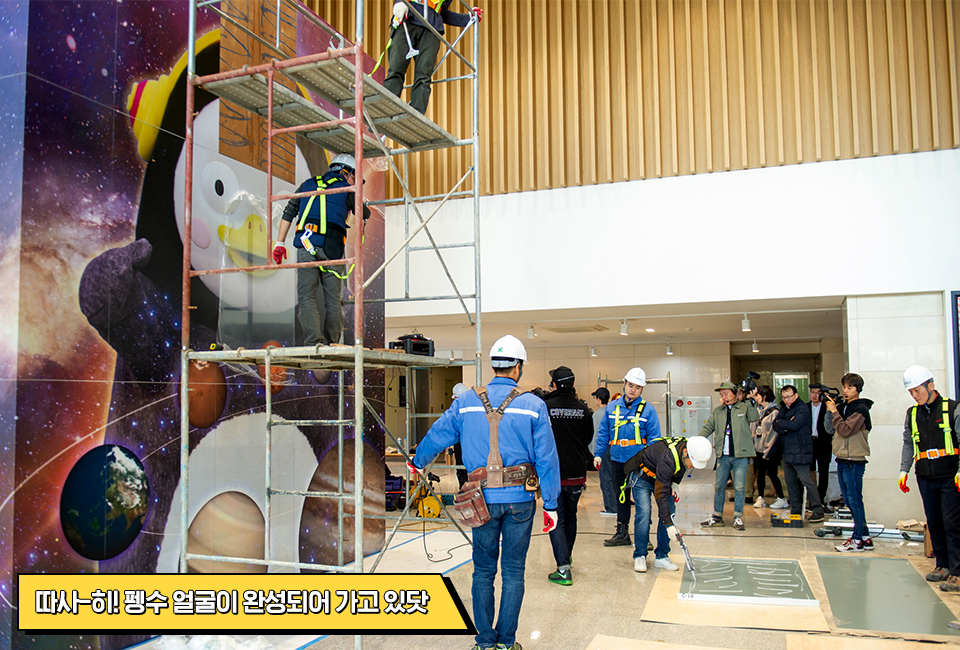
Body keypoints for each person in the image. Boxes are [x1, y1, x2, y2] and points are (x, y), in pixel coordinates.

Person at [408, 334, 559, 650]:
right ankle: (506, 642)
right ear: (517, 367)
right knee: (514, 573)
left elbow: (438, 434)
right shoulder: (534, 405)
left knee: (483, 572)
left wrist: (417, 461)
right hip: (519, 500)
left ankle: (485, 642)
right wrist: (552, 503)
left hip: (480, 501)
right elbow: (546, 457)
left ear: (493, 366)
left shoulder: (465, 402)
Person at [273, 154, 369, 346]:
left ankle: (313, 342)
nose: (355, 181)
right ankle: (333, 342)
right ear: (344, 171)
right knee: (333, 300)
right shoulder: (348, 189)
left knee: (306, 296)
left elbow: (289, 211)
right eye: (354, 177)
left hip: (306, 245)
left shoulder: (307, 184)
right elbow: (365, 213)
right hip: (332, 248)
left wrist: (280, 243)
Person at [593, 367, 662, 572]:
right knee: (620, 496)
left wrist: (654, 462)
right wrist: (598, 453)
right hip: (617, 459)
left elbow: (655, 438)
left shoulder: (648, 410)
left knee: (643, 500)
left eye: (638, 387)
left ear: (642, 389)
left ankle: (643, 537)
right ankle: (622, 532)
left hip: (640, 461)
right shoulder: (612, 407)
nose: (633, 390)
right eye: (631, 385)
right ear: (624, 384)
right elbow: (604, 432)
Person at [899, 366, 960, 591]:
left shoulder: (952, 408)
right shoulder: (912, 413)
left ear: (930, 385)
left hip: (950, 476)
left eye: (917, 390)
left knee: (952, 523)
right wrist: (904, 470)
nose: (915, 396)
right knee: (934, 522)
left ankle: (957, 571)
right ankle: (942, 565)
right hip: (925, 475)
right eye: (911, 392)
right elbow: (908, 442)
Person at [622, 435, 714, 570]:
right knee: (644, 513)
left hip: (661, 477)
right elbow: (661, 495)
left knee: (670, 513)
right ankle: (640, 556)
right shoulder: (667, 459)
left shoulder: (686, 449)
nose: (691, 466)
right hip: (642, 477)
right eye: (692, 463)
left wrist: (675, 483)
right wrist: (669, 525)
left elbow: (681, 468)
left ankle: (662, 556)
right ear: (685, 452)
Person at [383, 1, 483, 115]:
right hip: (407, 17)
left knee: (423, 75)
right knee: (396, 68)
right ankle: (386, 110)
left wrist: (467, 18)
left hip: (431, 28)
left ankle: (416, 117)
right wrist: (399, 2)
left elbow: (441, 12)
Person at [542, 366, 594, 586]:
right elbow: (588, 436)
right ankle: (566, 555)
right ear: (573, 385)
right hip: (577, 474)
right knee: (571, 516)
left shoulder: (546, 407)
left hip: (554, 474)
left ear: (554, 385)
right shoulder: (583, 409)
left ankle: (563, 569)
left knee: (556, 519)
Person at [699, 381, 759, 531]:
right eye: (721, 394)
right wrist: (697, 440)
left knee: (739, 487)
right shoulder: (718, 411)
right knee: (719, 486)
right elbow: (709, 427)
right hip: (723, 455)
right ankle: (717, 516)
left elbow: (754, 417)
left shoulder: (744, 407)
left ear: (735, 393)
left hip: (740, 455)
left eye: (726, 393)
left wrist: (751, 402)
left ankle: (737, 517)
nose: (724, 397)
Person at [828, 372, 874, 552]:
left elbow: (845, 430)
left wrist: (834, 411)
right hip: (842, 458)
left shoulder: (860, 408)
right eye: (845, 387)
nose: (846, 391)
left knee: (854, 500)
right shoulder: (845, 406)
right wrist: (834, 409)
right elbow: (831, 428)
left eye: (850, 387)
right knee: (849, 499)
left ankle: (857, 540)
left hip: (854, 460)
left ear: (858, 389)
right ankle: (865, 536)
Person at [773, 385, 825, 523]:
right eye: (784, 397)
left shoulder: (802, 408)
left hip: (801, 450)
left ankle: (818, 509)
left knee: (806, 480)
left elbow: (794, 425)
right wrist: (785, 425)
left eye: (789, 397)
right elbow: (775, 424)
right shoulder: (785, 408)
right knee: (790, 481)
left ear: (796, 395)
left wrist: (783, 424)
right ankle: (795, 508)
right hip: (787, 450)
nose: (786, 400)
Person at [752, 385, 788, 509]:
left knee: (772, 473)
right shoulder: (757, 410)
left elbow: (774, 433)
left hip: (770, 449)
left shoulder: (775, 412)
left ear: (764, 396)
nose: (756, 398)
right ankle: (760, 497)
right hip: (758, 448)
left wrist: (767, 449)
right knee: (760, 473)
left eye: (758, 396)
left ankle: (781, 497)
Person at [589, 387, 617, 516]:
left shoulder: (597, 415)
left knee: (606, 478)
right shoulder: (614, 412)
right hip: (616, 448)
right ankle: (618, 505)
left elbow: (595, 435)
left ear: (598, 399)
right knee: (616, 478)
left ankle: (611, 507)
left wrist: (595, 453)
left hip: (604, 449)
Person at [809, 383, 836, 511]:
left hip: (823, 442)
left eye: (818, 393)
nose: (815, 395)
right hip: (810, 443)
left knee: (823, 471)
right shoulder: (805, 407)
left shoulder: (827, 407)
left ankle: (821, 499)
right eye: (813, 392)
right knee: (809, 471)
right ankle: (811, 498)